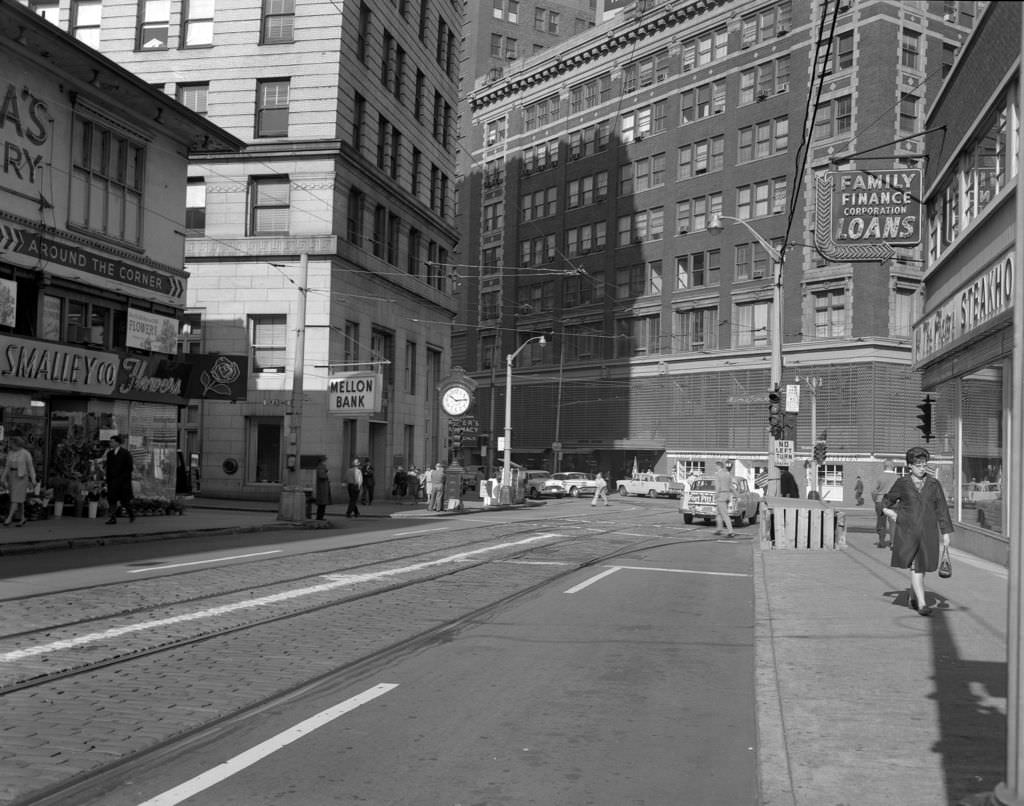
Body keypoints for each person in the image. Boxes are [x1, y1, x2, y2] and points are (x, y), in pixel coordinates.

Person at [881, 446, 953, 617]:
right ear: (910, 466)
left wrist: (946, 533)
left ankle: (913, 597)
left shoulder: (934, 484)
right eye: (918, 464)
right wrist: (892, 514)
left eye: (924, 464)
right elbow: (886, 501)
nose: (922, 468)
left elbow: (941, 509)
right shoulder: (902, 483)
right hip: (908, 532)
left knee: (922, 567)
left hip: (928, 532)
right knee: (916, 567)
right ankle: (922, 604)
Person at [2, 436, 36, 527]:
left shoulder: (25, 453)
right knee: (19, 499)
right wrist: (3, 478)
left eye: (11, 443)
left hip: (21, 477)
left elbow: (30, 467)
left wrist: (33, 479)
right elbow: (7, 466)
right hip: (12, 476)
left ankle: (9, 518)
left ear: (17, 444)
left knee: (15, 498)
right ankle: (22, 518)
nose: (10, 445)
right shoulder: (10, 453)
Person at [104, 434, 135, 525]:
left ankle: (131, 513)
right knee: (112, 499)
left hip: (122, 481)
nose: (110, 443)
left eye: (112, 441)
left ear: (117, 443)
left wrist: (124, 478)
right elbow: (108, 467)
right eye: (110, 442)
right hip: (112, 481)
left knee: (124, 500)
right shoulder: (110, 454)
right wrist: (108, 479)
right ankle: (112, 517)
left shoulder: (125, 453)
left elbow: (129, 467)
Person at [713, 460, 735, 537]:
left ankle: (730, 531)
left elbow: (718, 486)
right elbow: (731, 486)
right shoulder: (727, 474)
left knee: (724, 515)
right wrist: (737, 495)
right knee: (718, 514)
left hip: (721, 496)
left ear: (718, 466)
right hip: (727, 495)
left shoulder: (718, 474)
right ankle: (719, 529)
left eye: (716, 466)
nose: (715, 467)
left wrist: (716, 495)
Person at [871, 469, 893, 548]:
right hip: (892, 501)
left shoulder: (880, 477)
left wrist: (875, 500)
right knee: (893, 522)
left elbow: (873, 491)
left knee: (881, 522)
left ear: (884, 466)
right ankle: (893, 542)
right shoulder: (897, 477)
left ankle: (882, 541)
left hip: (880, 500)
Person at [314, 455, 331, 520]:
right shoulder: (321, 467)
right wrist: (327, 474)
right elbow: (322, 476)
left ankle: (321, 517)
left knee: (323, 505)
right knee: (322, 504)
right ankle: (319, 517)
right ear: (323, 461)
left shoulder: (323, 467)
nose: (327, 462)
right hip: (322, 489)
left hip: (324, 488)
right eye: (326, 460)